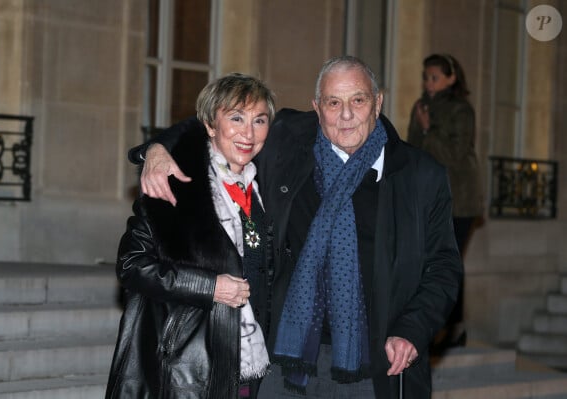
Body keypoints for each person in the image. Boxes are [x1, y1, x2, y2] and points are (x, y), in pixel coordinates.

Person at [130, 56, 462, 399]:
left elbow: (443, 267)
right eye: (334, 102)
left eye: (358, 100)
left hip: (376, 361)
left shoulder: (422, 176)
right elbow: (218, 125)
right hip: (286, 356)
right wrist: (156, 149)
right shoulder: (288, 141)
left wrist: (411, 329)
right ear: (316, 107)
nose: (346, 115)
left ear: (377, 102)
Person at [105, 73, 276, 399]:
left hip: (253, 365)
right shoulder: (173, 185)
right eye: (236, 118)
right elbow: (131, 265)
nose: (248, 132)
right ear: (210, 126)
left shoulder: (266, 188)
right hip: (188, 370)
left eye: (260, 120)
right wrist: (210, 287)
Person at [407, 53, 482, 350]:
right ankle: (436, 326)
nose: (429, 83)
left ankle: (453, 329)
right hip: (428, 197)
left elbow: (455, 153)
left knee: (448, 263)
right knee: (427, 263)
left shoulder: (462, 109)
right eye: (426, 77)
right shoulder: (421, 107)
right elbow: (411, 149)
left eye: (435, 77)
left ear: (451, 78)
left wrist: (429, 129)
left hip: (459, 200)